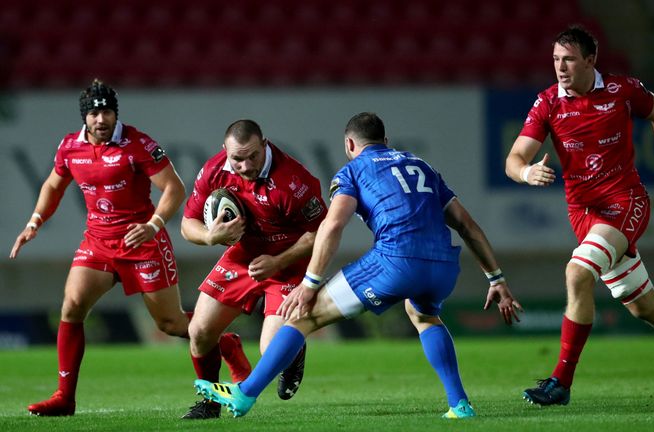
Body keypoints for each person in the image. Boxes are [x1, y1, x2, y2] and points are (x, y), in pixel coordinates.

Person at [192, 112, 523, 419]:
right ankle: (459, 404)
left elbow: (332, 226)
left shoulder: (351, 171)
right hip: (443, 264)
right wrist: (496, 278)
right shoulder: (421, 166)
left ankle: (244, 393)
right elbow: (467, 225)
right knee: (423, 316)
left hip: (395, 260)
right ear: (386, 140)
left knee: (303, 316)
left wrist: (309, 285)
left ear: (349, 145)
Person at [504, 26, 654, 406]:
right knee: (644, 307)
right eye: (555, 59)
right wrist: (525, 172)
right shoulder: (548, 103)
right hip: (584, 214)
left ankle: (561, 382)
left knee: (577, 272)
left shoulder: (622, 91)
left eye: (568, 59)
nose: (560, 67)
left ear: (590, 60)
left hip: (625, 202)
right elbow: (514, 159)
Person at [9, 79, 249, 416]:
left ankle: (225, 344)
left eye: (107, 111)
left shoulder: (137, 143)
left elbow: (174, 188)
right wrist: (34, 223)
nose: (101, 119)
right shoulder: (69, 147)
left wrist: (152, 226)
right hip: (97, 242)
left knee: (171, 324)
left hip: (143, 243)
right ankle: (65, 397)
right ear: (85, 118)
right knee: (72, 307)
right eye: (94, 113)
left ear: (114, 113)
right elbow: (53, 183)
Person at [179, 119, 328, 419]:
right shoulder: (214, 170)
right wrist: (210, 237)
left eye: (253, 156)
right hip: (243, 257)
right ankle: (210, 403)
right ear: (225, 151)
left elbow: (321, 233)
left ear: (265, 144)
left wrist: (278, 261)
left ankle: (293, 351)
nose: (246, 166)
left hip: (287, 262)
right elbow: (187, 225)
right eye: (237, 158)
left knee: (270, 349)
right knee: (199, 331)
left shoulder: (293, 181)